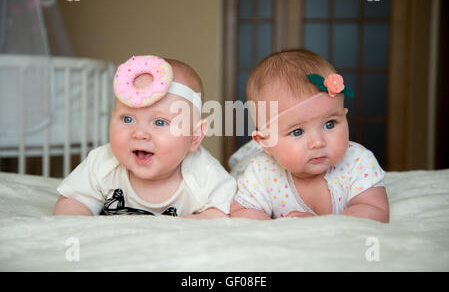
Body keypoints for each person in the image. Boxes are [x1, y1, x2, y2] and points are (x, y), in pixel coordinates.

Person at [54, 55, 236, 219]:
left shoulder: (204, 174)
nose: (139, 133)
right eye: (127, 118)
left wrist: (181, 227)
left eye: (159, 122)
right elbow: (73, 202)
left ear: (195, 136)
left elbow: (221, 214)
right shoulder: (103, 163)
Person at [229, 49, 389, 222]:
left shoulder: (357, 161)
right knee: (238, 171)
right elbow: (242, 212)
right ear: (266, 141)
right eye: (297, 131)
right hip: (252, 158)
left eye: (330, 124)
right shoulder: (262, 172)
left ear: (344, 115)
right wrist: (275, 230)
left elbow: (376, 210)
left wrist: (321, 225)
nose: (318, 142)